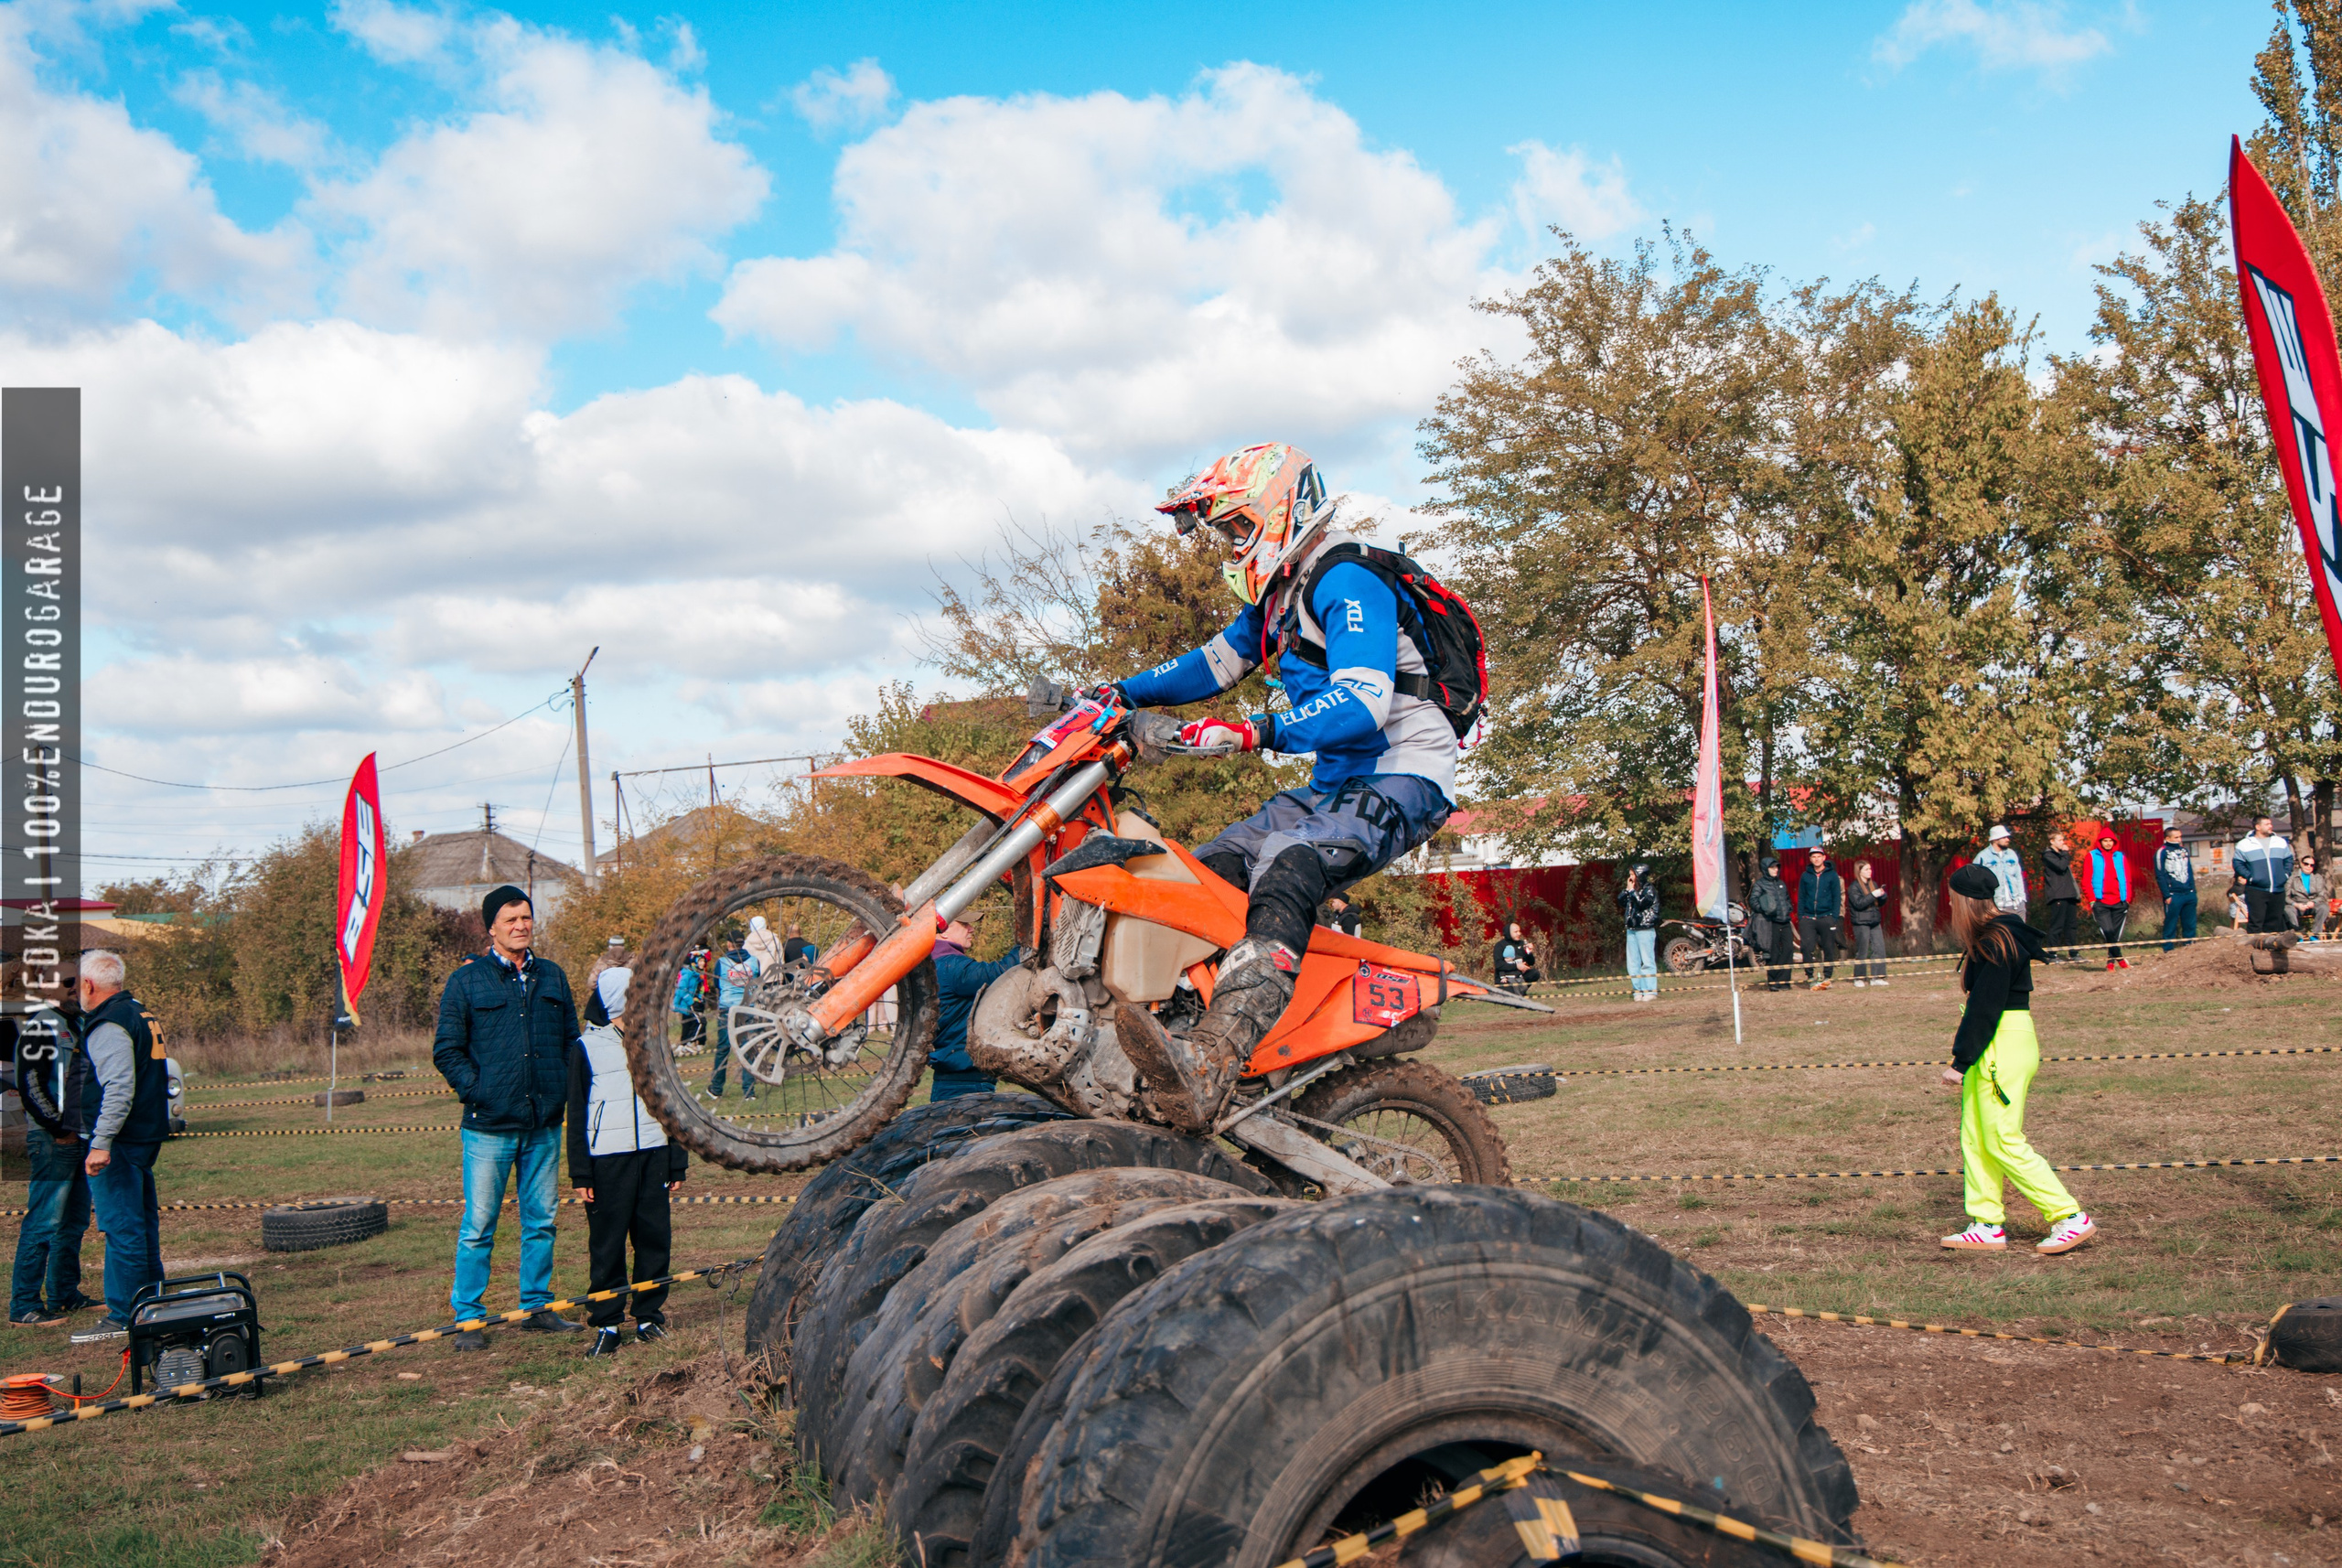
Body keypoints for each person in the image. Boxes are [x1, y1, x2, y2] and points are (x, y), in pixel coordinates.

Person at [1095, 443, 1462, 1133]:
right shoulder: (1279, 599)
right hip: (1332, 788)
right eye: (1224, 533)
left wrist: (1250, 732)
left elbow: (1362, 703)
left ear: (1282, 510)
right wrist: (1116, 693)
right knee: (1196, 878)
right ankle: (1173, 1029)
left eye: (1237, 527)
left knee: (1289, 862)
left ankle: (1215, 1059)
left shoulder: (1346, 578)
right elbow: (1207, 665)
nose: (1230, 545)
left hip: (1403, 776)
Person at [432, 885, 583, 1349]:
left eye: (526, 918)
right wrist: (481, 1091)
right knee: (479, 1226)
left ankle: (536, 1306)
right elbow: (447, 1050)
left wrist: (560, 1089)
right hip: (489, 1126)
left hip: (542, 1124)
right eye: (510, 920)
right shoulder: (466, 981)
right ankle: (470, 1318)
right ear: (491, 927)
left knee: (541, 1220)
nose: (520, 926)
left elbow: (570, 1043)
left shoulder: (553, 977)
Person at [1936, 863, 2095, 1257]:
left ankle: (2069, 1215)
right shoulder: (1993, 935)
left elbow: (1985, 1007)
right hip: (1999, 1038)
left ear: (1964, 901)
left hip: (2002, 1041)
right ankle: (1986, 1222)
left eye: (1953, 898)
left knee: (2002, 1137)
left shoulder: (1997, 939)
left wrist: (1960, 1062)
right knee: (1975, 1135)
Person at [568, 968, 686, 1359]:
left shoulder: (654, 1042)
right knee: (607, 1245)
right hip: (607, 1160)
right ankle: (607, 1324)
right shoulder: (585, 1047)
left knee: (654, 1239)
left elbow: (674, 1105)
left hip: (653, 1154)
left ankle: (649, 1317)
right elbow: (578, 1112)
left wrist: (676, 1161)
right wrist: (581, 1171)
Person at [67, 951, 169, 1340]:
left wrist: (101, 1141)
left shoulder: (110, 1022)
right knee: (140, 1226)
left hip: (121, 1141)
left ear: (89, 985)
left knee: (121, 1227)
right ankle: (152, 1303)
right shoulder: (139, 1012)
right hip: (142, 1136)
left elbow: (119, 1088)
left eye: (78, 985)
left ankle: (125, 1315)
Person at [8, 1002, 96, 1327]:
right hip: (52, 1139)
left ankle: (64, 1295)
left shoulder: (81, 1023)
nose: (77, 990)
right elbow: (30, 1083)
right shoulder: (40, 1026)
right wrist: (60, 1130)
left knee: (74, 1221)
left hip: (81, 1136)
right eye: (70, 983)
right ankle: (24, 1305)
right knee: (43, 1222)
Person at [930, 916, 1032, 1100]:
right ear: (943, 931)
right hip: (963, 1084)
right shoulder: (950, 967)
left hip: (957, 1079)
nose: (971, 929)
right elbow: (999, 972)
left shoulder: (936, 963)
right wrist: (1028, 941)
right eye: (964, 924)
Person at [705, 929, 760, 1101]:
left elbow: (716, 984)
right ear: (742, 944)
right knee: (748, 1049)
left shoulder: (721, 962)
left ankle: (716, 1089)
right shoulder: (754, 961)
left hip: (727, 1009)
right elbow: (759, 981)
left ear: (728, 944)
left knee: (723, 1049)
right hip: (747, 1008)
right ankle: (749, 1091)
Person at [2235, 816, 2295, 935]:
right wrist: (2251, 877)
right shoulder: (2244, 844)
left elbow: (2289, 860)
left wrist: (2285, 875)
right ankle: (2253, 950)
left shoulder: (2280, 842)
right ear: (2258, 827)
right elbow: (2238, 864)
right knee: (2256, 923)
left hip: (2278, 890)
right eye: (2267, 824)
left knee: (2275, 923)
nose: (2270, 826)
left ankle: (2272, 950)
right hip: (2256, 890)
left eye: (2270, 824)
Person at [1797, 848, 1842, 991]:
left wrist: (1833, 917)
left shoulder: (1832, 875)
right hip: (1808, 918)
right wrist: (1801, 917)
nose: (1816, 859)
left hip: (1826, 917)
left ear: (1824, 858)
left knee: (1828, 947)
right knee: (1806, 947)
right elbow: (1801, 897)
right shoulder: (1805, 876)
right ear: (1810, 859)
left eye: (1819, 856)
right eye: (1813, 857)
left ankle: (1827, 977)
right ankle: (1810, 976)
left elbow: (1837, 897)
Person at [1750, 857, 1795, 992]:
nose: (1776, 870)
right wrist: (1765, 909)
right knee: (1773, 953)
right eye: (1772, 867)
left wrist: (1788, 908)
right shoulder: (1760, 885)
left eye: (1777, 867)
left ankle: (1785, 982)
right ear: (1765, 869)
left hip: (1785, 921)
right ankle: (1774, 982)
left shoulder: (1781, 883)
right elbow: (1753, 901)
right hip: (1770, 923)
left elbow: (1787, 899)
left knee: (1788, 950)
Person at [2089, 831, 2131, 970]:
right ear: (2100, 842)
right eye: (2105, 840)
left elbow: (2127, 878)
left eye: (2110, 840)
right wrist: (2092, 900)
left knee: (2115, 935)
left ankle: (2110, 962)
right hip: (2101, 902)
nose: (2108, 843)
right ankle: (2120, 959)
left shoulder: (2120, 857)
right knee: (2107, 931)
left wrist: (2128, 898)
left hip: (2119, 901)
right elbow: (2086, 880)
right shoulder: (2092, 856)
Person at [2154, 825, 2197, 953]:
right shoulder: (2162, 852)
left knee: (2190, 923)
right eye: (2176, 837)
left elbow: (2189, 871)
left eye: (2180, 837)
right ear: (2168, 838)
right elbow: (2160, 875)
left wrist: (2193, 891)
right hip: (2173, 894)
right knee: (2171, 923)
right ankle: (2168, 950)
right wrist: (2167, 895)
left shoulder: (2184, 851)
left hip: (2188, 893)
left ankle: (2190, 947)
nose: (2179, 839)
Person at [1618, 866, 1660, 1001]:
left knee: (1647, 961)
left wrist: (1632, 892)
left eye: (1632, 874)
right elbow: (1620, 901)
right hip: (1632, 929)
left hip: (1645, 929)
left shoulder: (1650, 890)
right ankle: (1638, 991)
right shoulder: (1632, 891)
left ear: (1640, 875)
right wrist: (1627, 890)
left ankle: (1650, 991)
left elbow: (1642, 903)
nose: (1630, 877)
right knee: (1633, 963)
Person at [2039, 830, 2081, 961]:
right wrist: (2065, 853)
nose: (2063, 843)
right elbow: (2061, 867)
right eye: (2060, 840)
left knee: (2071, 925)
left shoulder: (2061, 855)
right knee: (2057, 926)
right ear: (2052, 841)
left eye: (2063, 840)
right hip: (2058, 895)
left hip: (2069, 894)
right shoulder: (2048, 855)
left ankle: (2073, 953)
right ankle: (2052, 954)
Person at [1846, 862, 1888, 987]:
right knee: (1862, 951)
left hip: (1874, 921)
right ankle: (1859, 978)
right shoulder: (1854, 887)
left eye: (1870, 868)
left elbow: (1877, 904)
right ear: (1859, 871)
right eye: (1866, 869)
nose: (1870, 871)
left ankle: (1878, 977)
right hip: (1861, 923)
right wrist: (1872, 895)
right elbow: (1859, 904)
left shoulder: (1873, 884)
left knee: (1879, 948)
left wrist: (1882, 896)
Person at [1975, 825, 2027, 921]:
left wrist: (2022, 899)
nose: (2007, 839)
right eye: (2004, 837)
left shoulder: (2011, 854)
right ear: (1995, 839)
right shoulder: (1982, 857)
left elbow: (2018, 877)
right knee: (2002, 934)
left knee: (2020, 935)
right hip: (1997, 906)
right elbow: (1977, 882)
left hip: (2017, 905)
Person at [581, 948, 634, 1026]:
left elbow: (591, 982)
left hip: (604, 1006)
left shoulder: (603, 961)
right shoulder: (633, 961)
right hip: (629, 1003)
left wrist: (603, 990)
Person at [1491, 921, 1538, 995]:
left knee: (1535, 973)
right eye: (1516, 932)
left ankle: (1519, 991)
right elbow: (1499, 965)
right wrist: (1517, 966)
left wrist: (1529, 953)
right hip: (1505, 979)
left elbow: (1531, 962)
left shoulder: (1522, 944)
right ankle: (1516, 992)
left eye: (1519, 931)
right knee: (1509, 993)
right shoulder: (1500, 946)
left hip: (1519, 977)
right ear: (1509, 933)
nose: (1519, 933)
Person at [2291, 854, 2330, 940]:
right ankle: (2297, 935)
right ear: (2301, 863)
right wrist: (2296, 904)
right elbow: (2286, 896)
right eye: (2306, 864)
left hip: (2312, 904)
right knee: (2287, 909)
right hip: (2297, 904)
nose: (2309, 867)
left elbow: (2322, 895)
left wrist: (2313, 902)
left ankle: (2315, 935)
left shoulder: (2318, 877)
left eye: (2312, 865)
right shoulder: (2292, 877)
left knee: (2324, 908)